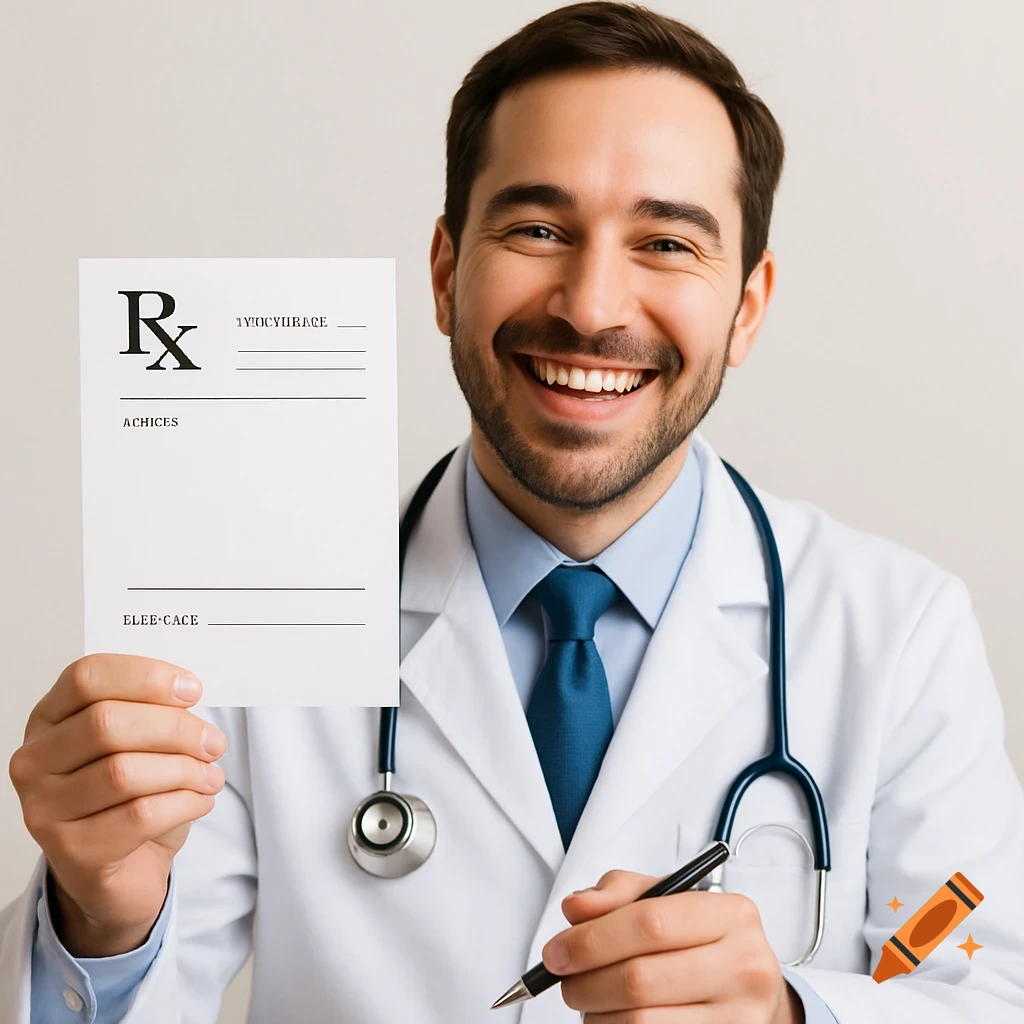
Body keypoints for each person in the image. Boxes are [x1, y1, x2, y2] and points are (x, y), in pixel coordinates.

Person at [4, 3, 1024, 1022]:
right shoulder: (252, 618)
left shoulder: (895, 631)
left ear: (747, 306)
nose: (590, 306)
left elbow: (989, 991)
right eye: (538, 229)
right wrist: (100, 919)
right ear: (446, 273)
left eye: (666, 242)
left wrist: (790, 1011)